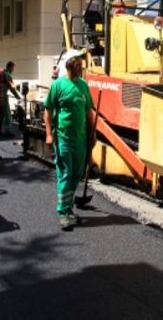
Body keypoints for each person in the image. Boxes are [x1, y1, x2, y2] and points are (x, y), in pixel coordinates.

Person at [44, 49, 95, 230]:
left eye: (81, 63)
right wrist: (49, 134)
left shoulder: (83, 85)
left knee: (76, 175)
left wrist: (92, 133)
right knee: (65, 175)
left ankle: (69, 207)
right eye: (77, 63)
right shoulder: (58, 85)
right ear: (68, 64)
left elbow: (89, 111)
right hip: (64, 139)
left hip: (80, 140)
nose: (80, 66)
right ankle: (63, 212)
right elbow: (48, 110)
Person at [1, 60, 22, 136]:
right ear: (10, 67)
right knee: (7, 114)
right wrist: (18, 97)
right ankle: (7, 131)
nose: (13, 70)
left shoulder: (2, 73)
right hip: (3, 97)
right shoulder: (8, 75)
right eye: (13, 68)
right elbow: (12, 88)